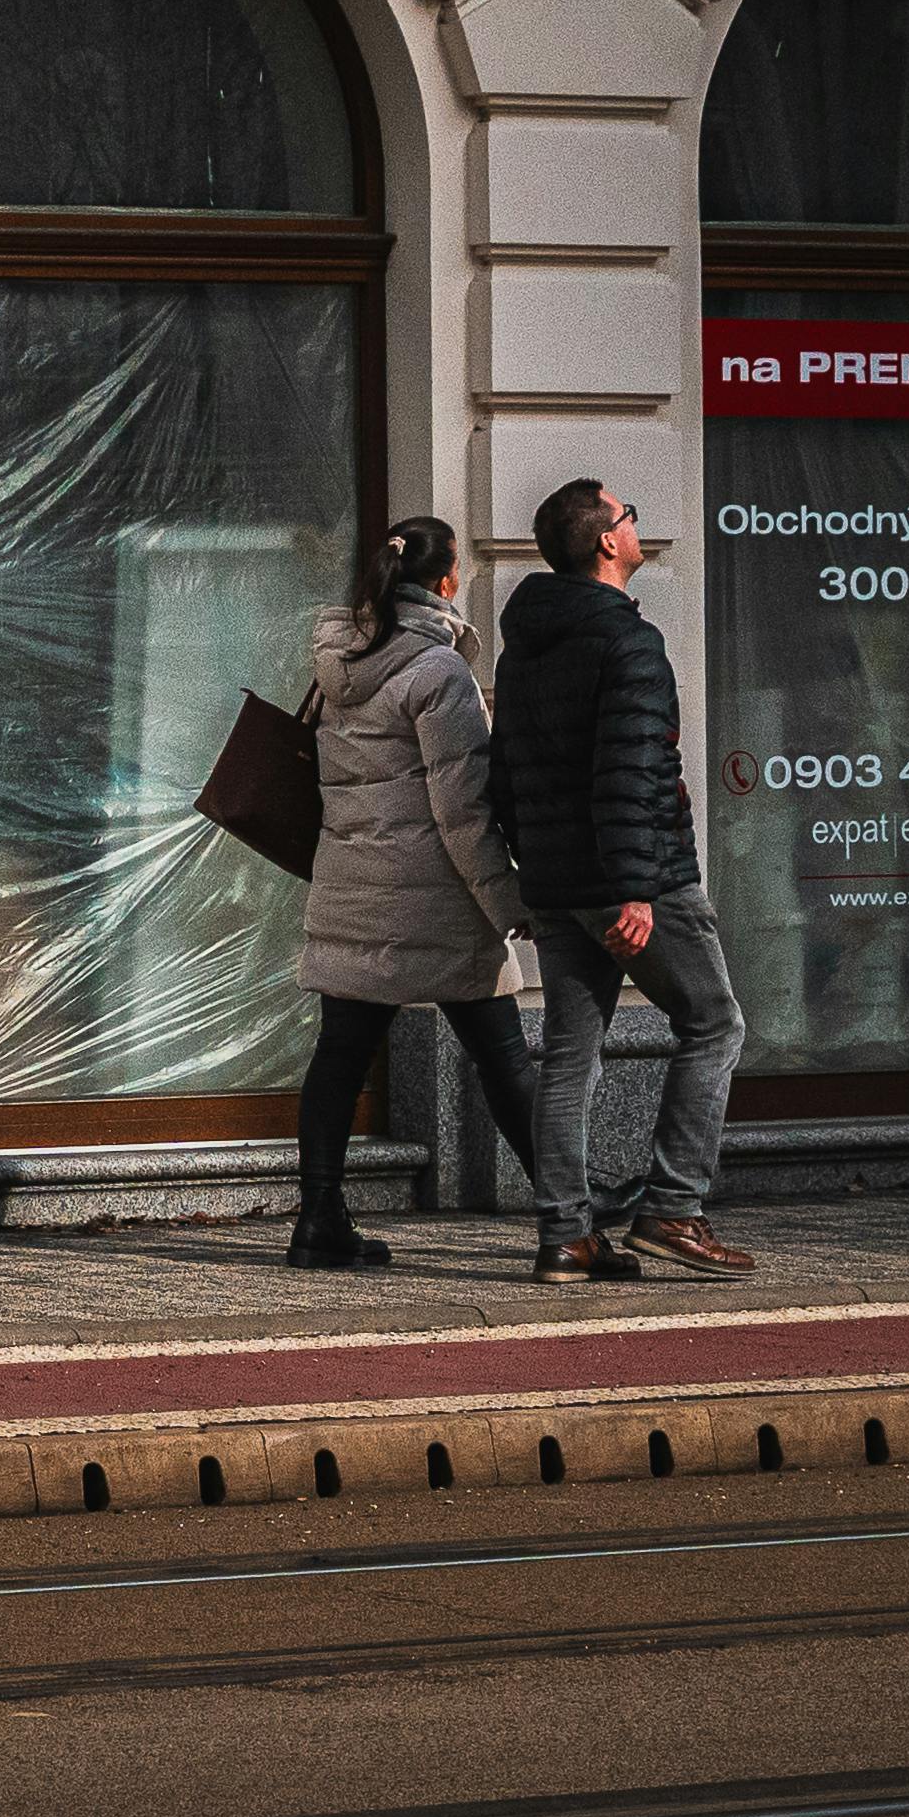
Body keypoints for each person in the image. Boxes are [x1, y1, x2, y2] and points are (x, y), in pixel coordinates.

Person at [489, 475, 752, 1283]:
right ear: (607, 541)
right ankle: (674, 1207)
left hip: (560, 883)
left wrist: (534, 878)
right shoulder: (626, 643)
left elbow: (503, 772)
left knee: (570, 1054)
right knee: (714, 1024)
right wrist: (637, 889)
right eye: (630, 515)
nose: (638, 524)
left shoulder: (525, 645)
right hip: (637, 879)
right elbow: (633, 769)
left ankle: (566, 1236)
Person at [282, 514, 538, 1269]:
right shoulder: (441, 673)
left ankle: (318, 1220)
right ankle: (570, 1206)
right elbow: (464, 811)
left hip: (354, 893)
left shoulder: (342, 659)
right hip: (438, 903)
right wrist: (509, 908)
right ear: (449, 582)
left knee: (338, 1056)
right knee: (503, 1058)